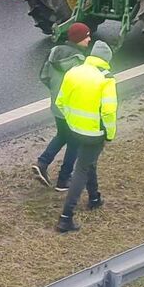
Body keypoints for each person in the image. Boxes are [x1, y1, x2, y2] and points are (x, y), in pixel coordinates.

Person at [55, 40, 117, 233]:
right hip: (94, 133)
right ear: (106, 60)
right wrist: (110, 134)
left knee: (89, 162)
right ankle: (66, 217)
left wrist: (73, 122)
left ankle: (94, 198)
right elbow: (108, 112)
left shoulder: (73, 72)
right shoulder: (106, 79)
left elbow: (60, 102)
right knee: (82, 169)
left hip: (75, 130)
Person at [32, 22, 92, 189]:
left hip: (57, 105)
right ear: (79, 39)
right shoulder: (79, 61)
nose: (89, 39)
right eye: (86, 36)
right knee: (74, 142)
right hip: (71, 109)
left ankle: (42, 163)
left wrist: (55, 91)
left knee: (63, 135)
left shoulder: (53, 52)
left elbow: (44, 76)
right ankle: (64, 179)